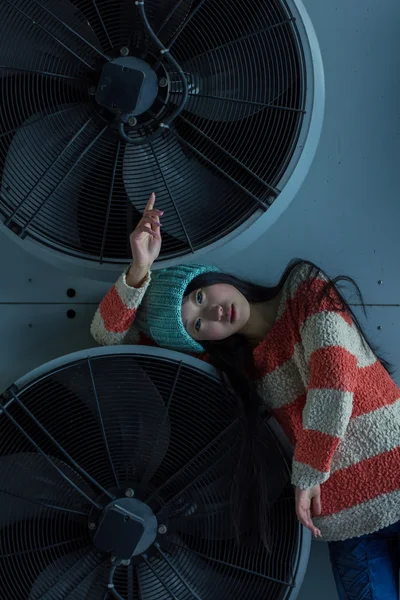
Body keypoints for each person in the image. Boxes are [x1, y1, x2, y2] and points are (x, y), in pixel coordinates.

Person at [91, 193, 400, 599]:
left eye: (200, 298)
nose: (214, 314)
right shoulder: (244, 367)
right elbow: (106, 338)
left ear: (212, 279)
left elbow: (334, 381)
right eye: (198, 325)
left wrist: (306, 472)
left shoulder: (304, 287)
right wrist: (138, 269)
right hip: (344, 524)